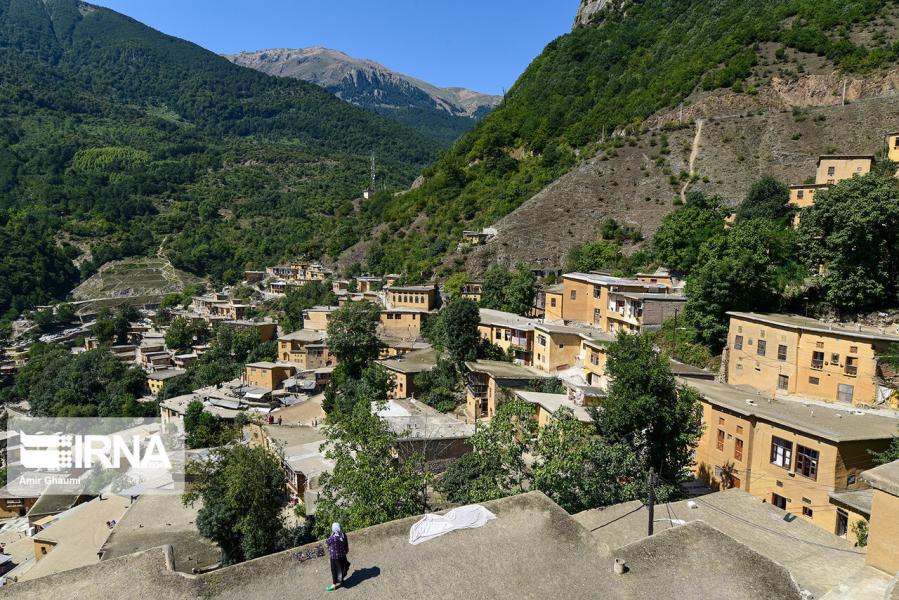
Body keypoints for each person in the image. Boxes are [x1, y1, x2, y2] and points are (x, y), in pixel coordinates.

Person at [325, 522, 350, 591]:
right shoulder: (343, 535)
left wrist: (330, 535)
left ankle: (334, 585)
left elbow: (327, 544)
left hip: (334, 558)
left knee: (334, 570)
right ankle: (342, 580)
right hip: (343, 556)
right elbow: (346, 546)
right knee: (342, 568)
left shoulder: (332, 538)